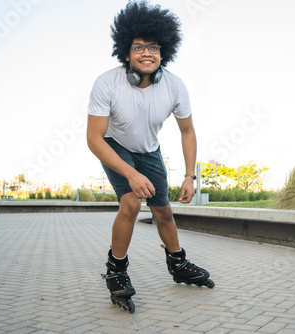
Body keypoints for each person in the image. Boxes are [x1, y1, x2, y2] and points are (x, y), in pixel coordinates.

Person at [87, 0, 214, 311]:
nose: (147, 53)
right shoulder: (107, 83)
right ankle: (116, 270)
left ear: (163, 51)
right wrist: (130, 173)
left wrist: (189, 175)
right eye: (139, 47)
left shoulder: (174, 86)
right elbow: (93, 139)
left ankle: (178, 264)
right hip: (114, 146)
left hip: (150, 150)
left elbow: (187, 132)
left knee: (164, 212)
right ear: (126, 52)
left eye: (154, 47)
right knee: (131, 201)